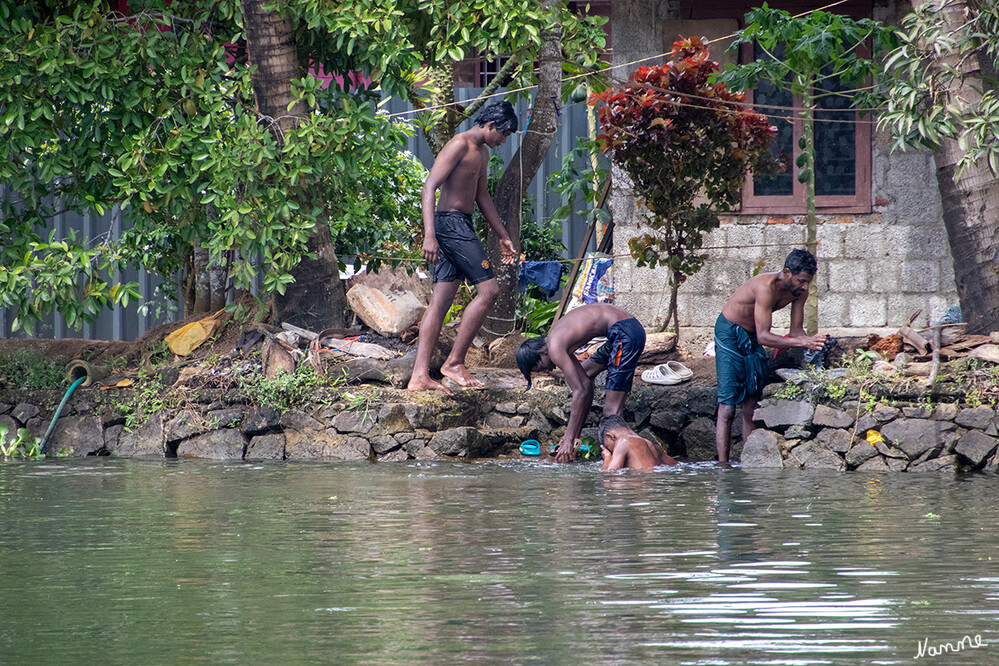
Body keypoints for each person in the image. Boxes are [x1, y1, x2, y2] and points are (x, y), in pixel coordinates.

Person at [407, 101, 519, 395]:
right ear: (492, 125)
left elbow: (482, 196)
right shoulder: (459, 143)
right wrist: (429, 235)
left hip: (461, 224)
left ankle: (419, 376)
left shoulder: (481, 153)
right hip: (450, 226)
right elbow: (429, 186)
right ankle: (454, 362)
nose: (504, 141)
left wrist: (502, 235)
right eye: (504, 134)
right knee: (489, 290)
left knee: (441, 300)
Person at [715, 248, 828, 462]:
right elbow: (764, 337)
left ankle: (747, 464)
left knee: (751, 405)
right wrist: (803, 341)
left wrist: (814, 343)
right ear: (787, 273)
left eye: (808, 282)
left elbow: (796, 332)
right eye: (801, 281)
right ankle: (723, 468)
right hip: (730, 330)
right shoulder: (765, 287)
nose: (805, 287)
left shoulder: (800, 292)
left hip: (752, 335)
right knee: (728, 407)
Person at [516, 303, 646, 463]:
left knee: (611, 411)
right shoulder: (558, 342)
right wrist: (572, 438)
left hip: (625, 333)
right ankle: (617, 454)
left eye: (540, 368)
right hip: (623, 332)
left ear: (542, 354)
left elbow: (580, 392)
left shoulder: (554, 348)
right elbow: (584, 384)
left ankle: (634, 459)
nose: (546, 371)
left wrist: (569, 439)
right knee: (585, 372)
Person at [598, 414, 678, 470]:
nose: (612, 452)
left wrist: (607, 458)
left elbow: (610, 476)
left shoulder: (623, 442)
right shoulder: (650, 444)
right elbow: (676, 466)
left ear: (610, 437)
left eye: (609, 448)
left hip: (638, 492)